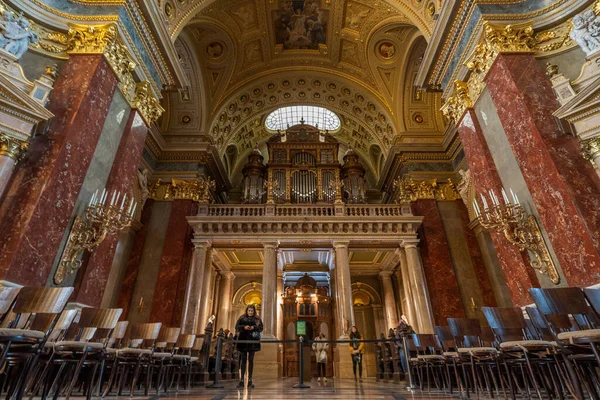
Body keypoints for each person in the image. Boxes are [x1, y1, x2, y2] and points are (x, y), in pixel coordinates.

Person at [235, 304, 263, 389]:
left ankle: (250, 380)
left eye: (252, 311)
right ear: (247, 311)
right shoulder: (242, 318)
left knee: (251, 360)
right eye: (249, 311)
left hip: (253, 341)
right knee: (243, 360)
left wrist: (253, 327)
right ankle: (242, 380)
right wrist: (244, 327)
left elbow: (261, 328)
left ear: (254, 311)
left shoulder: (257, 319)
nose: (250, 312)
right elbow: (237, 327)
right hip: (243, 341)